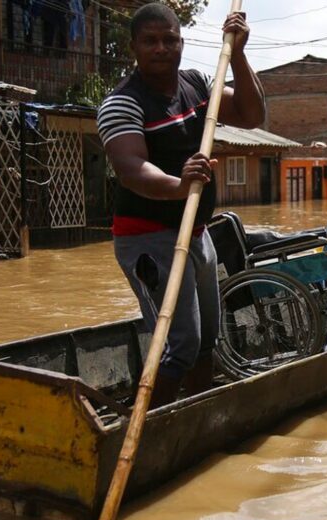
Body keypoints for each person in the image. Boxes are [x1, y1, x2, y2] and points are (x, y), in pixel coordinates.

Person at [97, 3, 265, 407]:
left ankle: (198, 415)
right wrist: (179, 185)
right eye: (150, 41)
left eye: (169, 39)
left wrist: (238, 54)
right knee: (180, 345)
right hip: (148, 238)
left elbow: (251, 113)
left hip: (196, 231)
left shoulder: (196, 84)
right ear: (133, 46)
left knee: (207, 339)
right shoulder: (123, 102)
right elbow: (131, 169)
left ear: (181, 42)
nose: (161, 48)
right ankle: (152, 428)